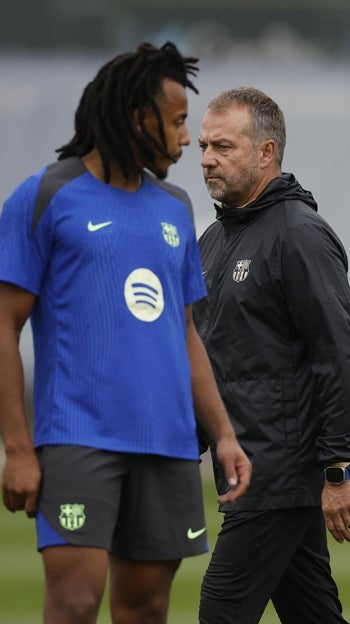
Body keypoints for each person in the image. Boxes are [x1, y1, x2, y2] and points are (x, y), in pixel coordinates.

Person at [0, 43, 251, 624]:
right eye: (179, 122)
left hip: (165, 444)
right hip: (77, 436)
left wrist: (224, 434)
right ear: (139, 118)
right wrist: (17, 448)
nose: (188, 140)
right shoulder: (45, 196)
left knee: (144, 610)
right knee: (75, 604)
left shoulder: (175, 207)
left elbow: (184, 332)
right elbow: (4, 327)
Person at [194, 86, 350, 624]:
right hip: (247, 467)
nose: (207, 158)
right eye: (203, 145)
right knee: (312, 613)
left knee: (220, 612)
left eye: (224, 146)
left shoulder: (300, 235)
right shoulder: (213, 239)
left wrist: (337, 470)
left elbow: (338, 355)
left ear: (266, 152)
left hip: (277, 473)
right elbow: (211, 360)